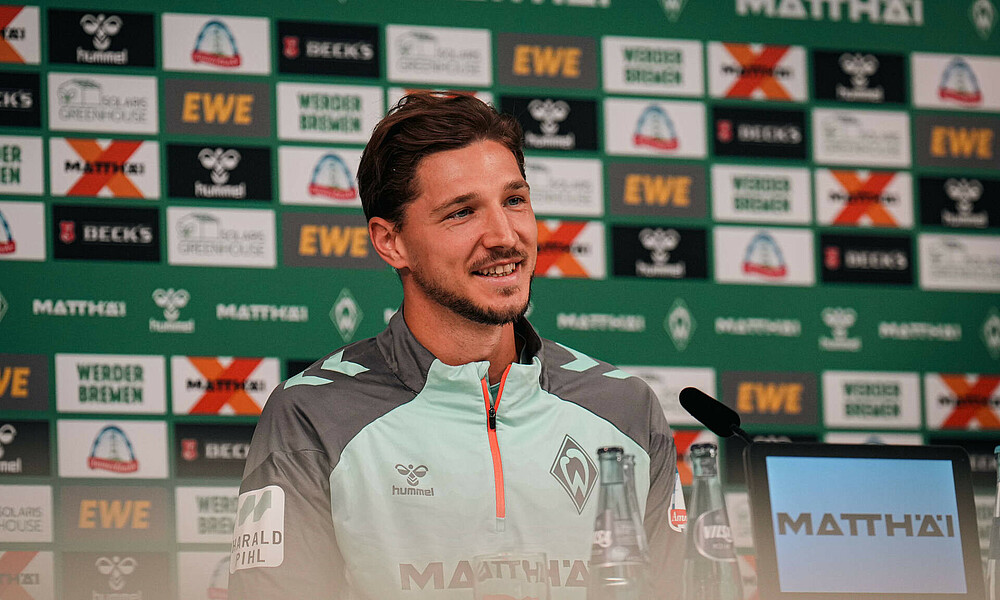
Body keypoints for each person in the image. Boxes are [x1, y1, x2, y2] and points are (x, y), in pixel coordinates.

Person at [228, 93, 685, 599]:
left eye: (514, 201)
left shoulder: (625, 407)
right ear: (391, 242)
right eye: (462, 212)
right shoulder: (311, 414)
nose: (504, 236)